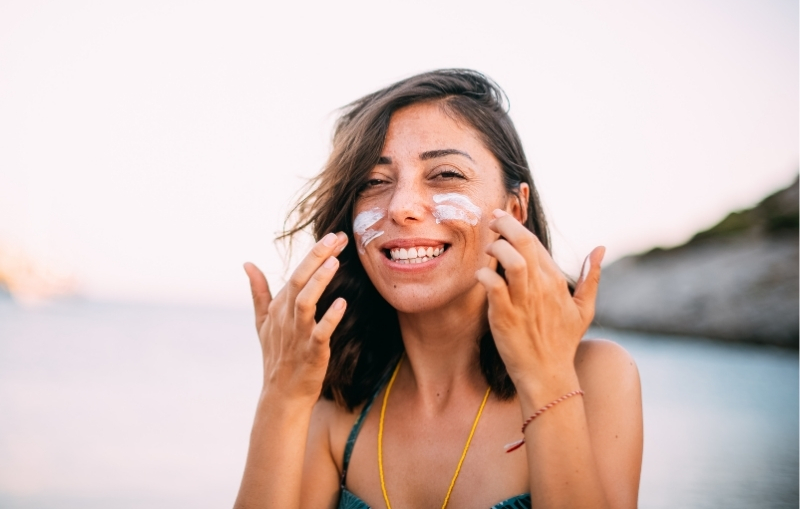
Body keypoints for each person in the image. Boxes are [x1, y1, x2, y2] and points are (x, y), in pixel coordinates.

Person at [234, 69, 643, 509]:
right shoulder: (335, 403)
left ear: (514, 209)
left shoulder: (594, 376)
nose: (402, 207)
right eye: (373, 182)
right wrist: (281, 394)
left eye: (445, 174)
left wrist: (547, 382)